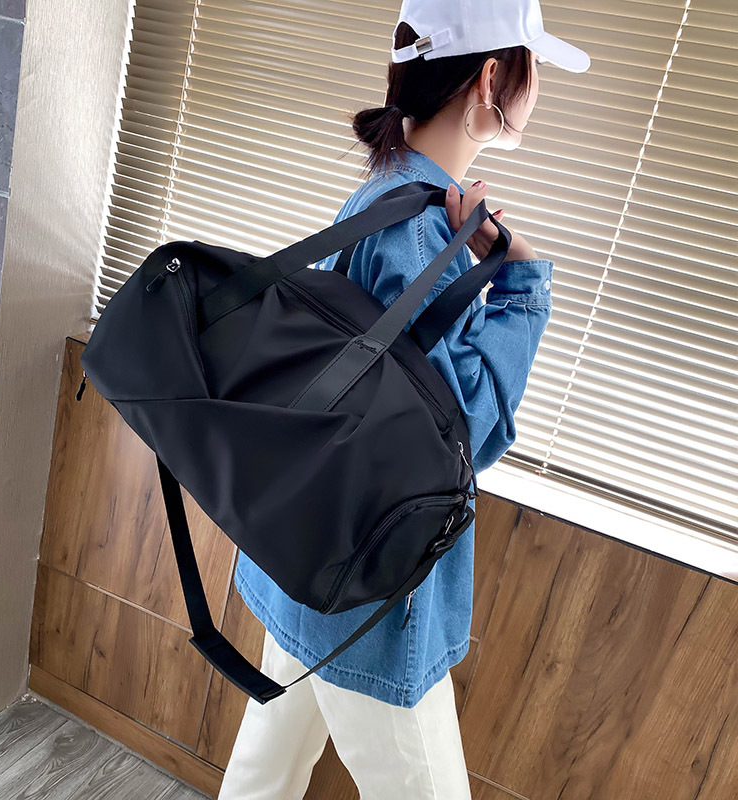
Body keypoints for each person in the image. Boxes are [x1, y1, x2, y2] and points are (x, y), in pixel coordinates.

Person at [219, 1, 590, 798]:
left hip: (314, 550)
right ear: (489, 78)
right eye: (531, 69)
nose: (535, 89)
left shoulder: (389, 192)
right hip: (373, 590)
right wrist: (523, 290)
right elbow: (461, 437)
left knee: (265, 774)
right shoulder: (420, 228)